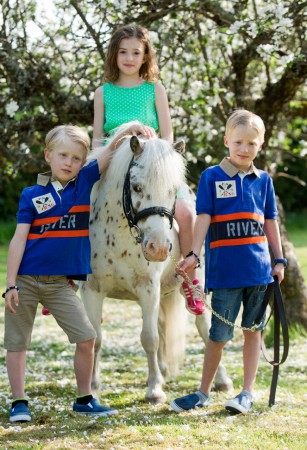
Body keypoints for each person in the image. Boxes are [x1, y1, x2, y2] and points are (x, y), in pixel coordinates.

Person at [3, 122, 149, 423]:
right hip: (26, 281)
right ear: (48, 156)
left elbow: (109, 151)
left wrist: (131, 127)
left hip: (60, 285)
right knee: (18, 343)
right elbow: (18, 240)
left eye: (76, 158)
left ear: (84, 162)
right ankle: (19, 402)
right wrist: (10, 284)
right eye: (63, 155)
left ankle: (84, 399)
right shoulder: (31, 194)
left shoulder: (85, 182)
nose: (69, 163)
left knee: (86, 338)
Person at [170, 109, 287, 415]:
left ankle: (247, 393)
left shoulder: (264, 181)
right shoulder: (212, 177)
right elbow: (204, 217)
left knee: (253, 331)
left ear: (260, 145)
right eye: (238, 142)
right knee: (218, 336)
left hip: (260, 273)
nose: (244, 148)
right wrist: (193, 254)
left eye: (251, 143)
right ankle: (203, 392)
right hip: (225, 274)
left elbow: (270, 222)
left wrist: (279, 259)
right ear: (226, 141)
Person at [92, 23, 204, 316]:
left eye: (136, 52)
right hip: (113, 167)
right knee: (78, 203)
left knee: (186, 213)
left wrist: (154, 150)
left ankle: (190, 280)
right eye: (123, 52)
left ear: (145, 56)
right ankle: (67, 274)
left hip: (153, 167)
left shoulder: (155, 89)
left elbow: (168, 136)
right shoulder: (103, 93)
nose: (129, 58)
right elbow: (96, 138)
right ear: (114, 55)